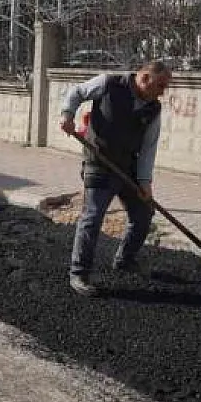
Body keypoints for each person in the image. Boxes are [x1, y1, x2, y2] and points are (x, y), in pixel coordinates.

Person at [58, 60, 173, 297]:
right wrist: (67, 114)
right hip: (99, 162)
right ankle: (78, 273)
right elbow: (77, 92)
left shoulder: (154, 109)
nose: (163, 92)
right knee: (93, 216)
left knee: (143, 213)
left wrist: (145, 183)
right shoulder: (109, 83)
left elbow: (149, 148)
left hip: (127, 167)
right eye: (160, 85)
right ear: (144, 79)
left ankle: (124, 260)